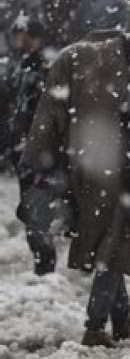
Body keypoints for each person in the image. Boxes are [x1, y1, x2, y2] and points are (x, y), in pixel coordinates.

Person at [20, 0, 130, 348]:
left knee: (105, 240)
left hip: (82, 167)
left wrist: (34, 163)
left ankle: (121, 316)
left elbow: (47, 118)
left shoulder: (68, 58)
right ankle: (95, 327)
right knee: (116, 242)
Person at [7, 16, 55, 275]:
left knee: (37, 214)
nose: (23, 42)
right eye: (19, 36)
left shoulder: (44, 69)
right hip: (23, 153)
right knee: (32, 212)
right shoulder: (19, 68)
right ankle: (43, 264)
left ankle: (45, 267)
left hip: (38, 155)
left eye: (28, 36)